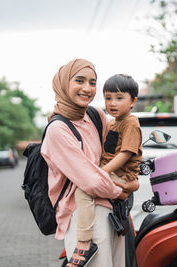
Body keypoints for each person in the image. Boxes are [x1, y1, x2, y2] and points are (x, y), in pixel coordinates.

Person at [41, 59, 139, 267]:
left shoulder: (95, 116)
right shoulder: (58, 130)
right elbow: (91, 181)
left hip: (112, 212)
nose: (87, 88)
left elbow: (115, 154)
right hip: (83, 216)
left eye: (92, 83)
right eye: (80, 81)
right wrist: (123, 190)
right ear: (64, 83)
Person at [73, 73, 142, 266]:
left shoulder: (131, 123)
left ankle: (85, 241)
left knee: (84, 190)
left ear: (133, 101)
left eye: (119, 98)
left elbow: (125, 154)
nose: (113, 103)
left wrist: (101, 173)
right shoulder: (111, 123)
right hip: (112, 173)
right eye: (108, 98)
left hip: (120, 175)